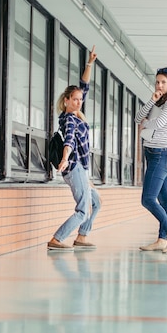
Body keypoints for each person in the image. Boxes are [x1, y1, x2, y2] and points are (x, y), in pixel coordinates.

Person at [47, 46, 101, 252]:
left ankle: (82, 237)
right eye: (75, 99)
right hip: (74, 167)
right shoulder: (69, 119)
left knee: (96, 203)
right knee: (82, 210)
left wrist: (90, 63)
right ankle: (57, 239)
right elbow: (69, 140)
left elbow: (84, 86)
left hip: (82, 169)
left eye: (80, 99)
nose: (79, 102)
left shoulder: (75, 113)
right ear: (66, 100)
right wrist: (64, 159)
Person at [135, 67, 167, 253]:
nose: (160, 85)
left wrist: (145, 125)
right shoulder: (159, 101)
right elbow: (137, 118)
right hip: (153, 153)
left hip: (161, 154)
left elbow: (159, 123)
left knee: (147, 199)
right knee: (164, 200)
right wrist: (151, 100)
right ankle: (162, 240)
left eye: (163, 82)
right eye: (157, 82)